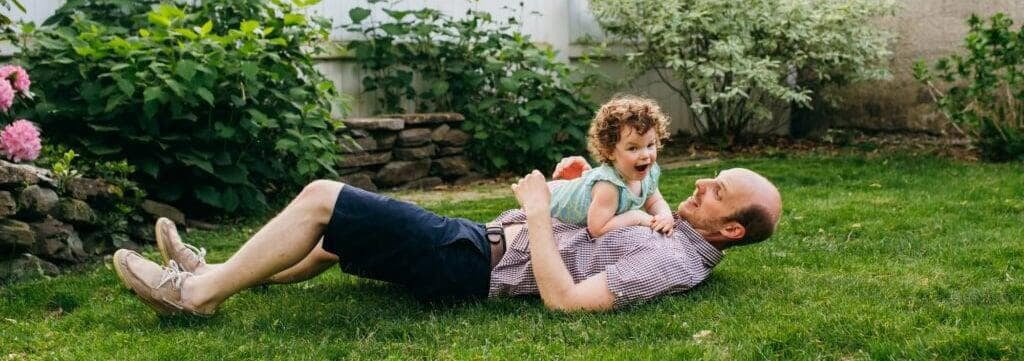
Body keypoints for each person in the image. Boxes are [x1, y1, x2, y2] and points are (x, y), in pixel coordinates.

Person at [111, 157, 782, 315]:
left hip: (472, 266)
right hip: (477, 240)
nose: (701, 185)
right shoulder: (674, 229)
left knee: (324, 200)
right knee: (332, 237)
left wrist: (541, 211)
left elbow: (567, 300)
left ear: (729, 229)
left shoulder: (670, 259)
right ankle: (220, 266)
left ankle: (196, 292)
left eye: (717, 191)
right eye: (711, 179)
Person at [548, 96, 675, 238]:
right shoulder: (608, 186)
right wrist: (636, 217)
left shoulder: (649, 173)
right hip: (549, 200)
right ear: (610, 151)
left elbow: (654, 201)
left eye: (650, 145)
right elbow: (597, 229)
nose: (645, 155)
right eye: (633, 148)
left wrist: (665, 215)